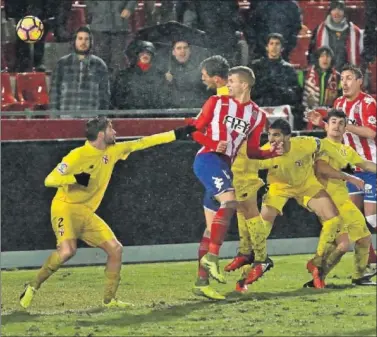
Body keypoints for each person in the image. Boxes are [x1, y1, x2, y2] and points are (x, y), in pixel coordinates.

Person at [19, 116, 196, 309]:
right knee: (67, 251)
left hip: (86, 212)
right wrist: (75, 178)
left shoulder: (113, 151)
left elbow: (143, 142)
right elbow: (50, 180)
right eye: (112, 129)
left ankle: (109, 300)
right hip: (65, 208)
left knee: (116, 249)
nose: (116, 133)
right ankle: (33, 286)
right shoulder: (77, 155)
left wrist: (178, 133)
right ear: (102, 134)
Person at [189, 66, 284, 299]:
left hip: (225, 167)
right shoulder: (216, 102)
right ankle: (212, 258)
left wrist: (271, 153)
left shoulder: (257, 115)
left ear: (245, 85)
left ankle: (201, 283)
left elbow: (252, 151)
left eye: (231, 81)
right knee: (230, 201)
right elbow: (193, 130)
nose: (227, 84)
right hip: (207, 158)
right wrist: (212, 142)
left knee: (211, 229)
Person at [241, 119, 354, 289]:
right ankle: (250, 273)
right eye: (270, 135)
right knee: (260, 229)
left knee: (334, 220)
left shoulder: (305, 144)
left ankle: (316, 262)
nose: (272, 139)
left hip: (306, 186)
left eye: (277, 135)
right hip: (279, 189)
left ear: (288, 136)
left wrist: (343, 162)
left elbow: (324, 145)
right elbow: (246, 167)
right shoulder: (265, 153)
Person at [307, 64, 377, 276]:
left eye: (348, 78)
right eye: (342, 79)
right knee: (353, 219)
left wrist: (346, 125)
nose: (344, 83)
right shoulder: (337, 103)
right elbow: (336, 132)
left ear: (359, 81)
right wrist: (322, 123)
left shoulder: (367, 102)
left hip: (369, 165)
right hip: (349, 168)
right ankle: (370, 261)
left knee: (372, 218)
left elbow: (371, 133)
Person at [49, 26, 110, 116]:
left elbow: (104, 96)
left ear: (91, 42)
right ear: (75, 41)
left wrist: (101, 119)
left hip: (91, 119)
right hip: (66, 117)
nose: (83, 42)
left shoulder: (99, 64)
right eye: (80, 38)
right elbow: (54, 93)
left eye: (86, 39)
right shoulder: (62, 63)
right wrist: (54, 118)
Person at [249, 33, 302, 130]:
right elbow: (250, 90)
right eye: (271, 44)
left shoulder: (289, 69)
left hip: (281, 107)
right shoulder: (256, 67)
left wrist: (280, 90)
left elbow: (295, 94)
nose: (274, 47)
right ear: (266, 47)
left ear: (282, 48)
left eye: (277, 44)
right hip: (260, 107)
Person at [307, 0, 364, 72]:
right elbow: (312, 55)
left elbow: (362, 56)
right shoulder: (319, 30)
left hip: (347, 75)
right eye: (334, 9)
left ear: (344, 12)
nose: (337, 13)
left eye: (340, 9)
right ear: (330, 12)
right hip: (327, 74)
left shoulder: (355, 31)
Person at [85, 1, 137, 75]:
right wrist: (96, 10)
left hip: (119, 23)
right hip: (100, 24)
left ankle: (116, 83)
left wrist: (128, 8)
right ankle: (102, 83)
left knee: (118, 59)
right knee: (101, 57)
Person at [111, 40, 165, 110]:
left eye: (149, 53)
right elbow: (116, 99)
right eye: (142, 53)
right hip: (130, 116)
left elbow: (162, 100)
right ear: (137, 55)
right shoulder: (125, 75)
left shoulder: (159, 76)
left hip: (153, 116)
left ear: (152, 56)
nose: (145, 55)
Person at [298, 46, 341, 112]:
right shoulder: (304, 74)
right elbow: (297, 98)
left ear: (332, 59)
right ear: (317, 59)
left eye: (328, 56)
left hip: (330, 117)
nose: (325, 59)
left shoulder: (339, 77)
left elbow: (342, 100)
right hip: (308, 115)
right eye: (322, 56)